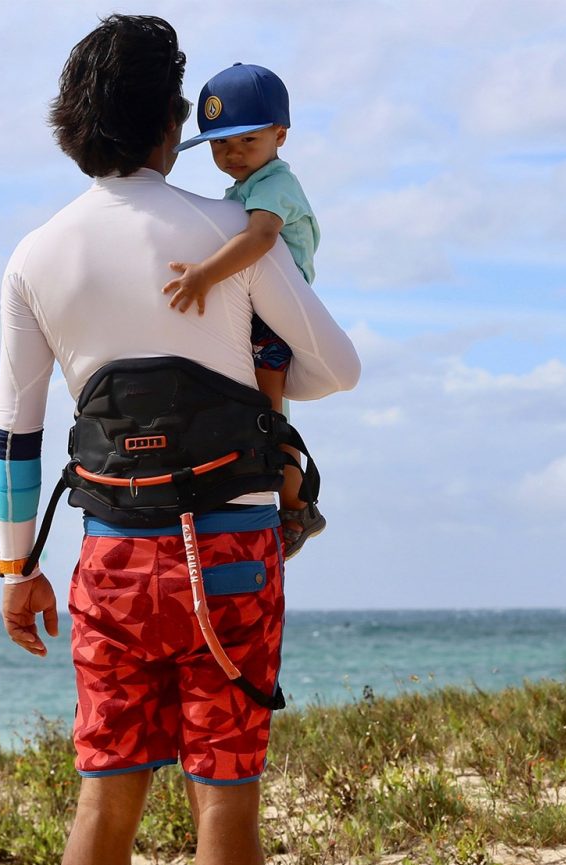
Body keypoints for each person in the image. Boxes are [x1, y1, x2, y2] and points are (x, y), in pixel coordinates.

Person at [0, 15, 360, 865]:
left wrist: (17, 567)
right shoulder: (230, 227)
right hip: (232, 555)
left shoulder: (35, 256)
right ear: (171, 123)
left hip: (114, 561)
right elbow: (337, 369)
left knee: (104, 798)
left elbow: (14, 433)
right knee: (226, 805)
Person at [161, 63, 326, 558]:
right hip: (259, 315)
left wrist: (205, 275)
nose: (232, 153)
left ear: (280, 136)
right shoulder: (247, 188)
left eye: (247, 140)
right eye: (219, 145)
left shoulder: (275, 184)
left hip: (275, 319)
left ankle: (296, 506)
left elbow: (261, 237)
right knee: (259, 412)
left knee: (270, 417)